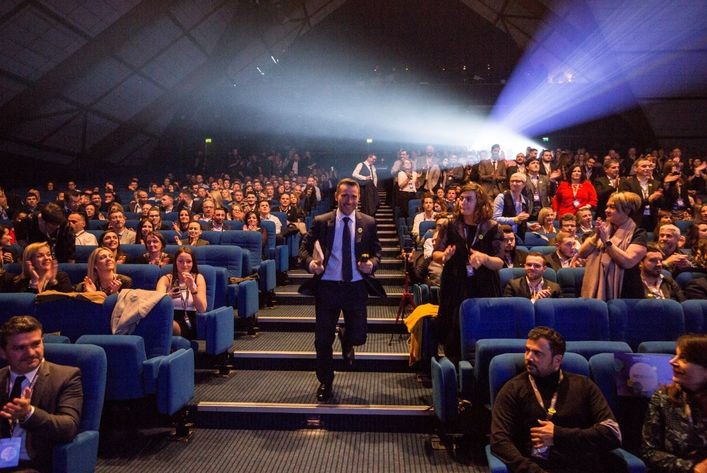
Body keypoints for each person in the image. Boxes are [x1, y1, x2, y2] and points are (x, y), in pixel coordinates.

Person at [490, 327, 622, 473]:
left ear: (557, 360)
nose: (528, 357)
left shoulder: (584, 385)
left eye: (537, 353)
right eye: (527, 350)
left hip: (583, 466)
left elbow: (612, 433)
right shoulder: (513, 389)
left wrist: (558, 435)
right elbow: (499, 441)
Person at [298, 178, 383, 402]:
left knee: (359, 337)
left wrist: (372, 264)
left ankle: (347, 336)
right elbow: (304, 250)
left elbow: (377, 252)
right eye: (345, 195)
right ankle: (326, 381)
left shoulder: (369, 222)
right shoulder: (321, 221)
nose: (349, 200)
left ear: (358, 199)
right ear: (337, 196)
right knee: (322, 340)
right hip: (328, 287)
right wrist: (311, 265)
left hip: (355, 287)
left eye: (354, 196)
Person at [0, 315, 83, 472]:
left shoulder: (66, 377)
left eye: (36, 344)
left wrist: (28, 413)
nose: (31, 353)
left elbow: (68, 427)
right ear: (3, 352)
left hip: (32, 464)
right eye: (20, 348)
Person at [434, 182, 504, 364]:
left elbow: (499, 262)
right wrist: (444, 256)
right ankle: (454, 374)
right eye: (461, 199)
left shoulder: (492, 227)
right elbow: (435, 254)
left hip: (484, 284)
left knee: (481, 330)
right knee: (453, 331)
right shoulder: (450, 225)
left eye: (469, 199)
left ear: (479, 202)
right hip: (455, 283)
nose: (463, 202)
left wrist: (484, 258)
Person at [641, 334, 707, 473]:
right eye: (675, 355)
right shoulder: (663, 398)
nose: (672, 361)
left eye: (683, 358)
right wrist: (693, 469)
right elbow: (649, 451)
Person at [579, 191, 647, 299]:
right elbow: (582, 253)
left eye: (613, 207)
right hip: (596, 289)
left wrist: (606, 242)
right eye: (607, 207)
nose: (607, 211)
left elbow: (628, 262)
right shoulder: (602, 229)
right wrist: (596, 236)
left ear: (627, 210)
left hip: (626, 293)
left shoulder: (638, 233)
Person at [156, 247, 207, 339]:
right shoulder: (166, 279)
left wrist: (193, 289)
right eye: (180, 261)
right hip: (167, 314)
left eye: (188, 261)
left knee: (166, 324)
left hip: (187, 319)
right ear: (175, 262)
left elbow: (202, 309)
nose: (185, 265)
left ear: (193, 263)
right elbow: (155, 302)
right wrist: (168, 296)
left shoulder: (198, 278)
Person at [7, 242, 73, 293]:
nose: (47, 258)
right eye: (40, 256)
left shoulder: (61, 277)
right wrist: (34, 283)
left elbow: (66, 305)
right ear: (30, 261)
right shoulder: (20, 282)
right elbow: (27, 308)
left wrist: (53, 282)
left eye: (48, 254)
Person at [493, 172, 538, 241]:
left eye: (517, 181)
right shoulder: (501, 197)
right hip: (502, 237)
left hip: (517, 237)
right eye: (512, 181)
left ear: (524, 184)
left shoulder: (526, 200)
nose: (514, 183)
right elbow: (495, 219)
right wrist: (515, 219)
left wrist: (528, 226)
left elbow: (519, 220)